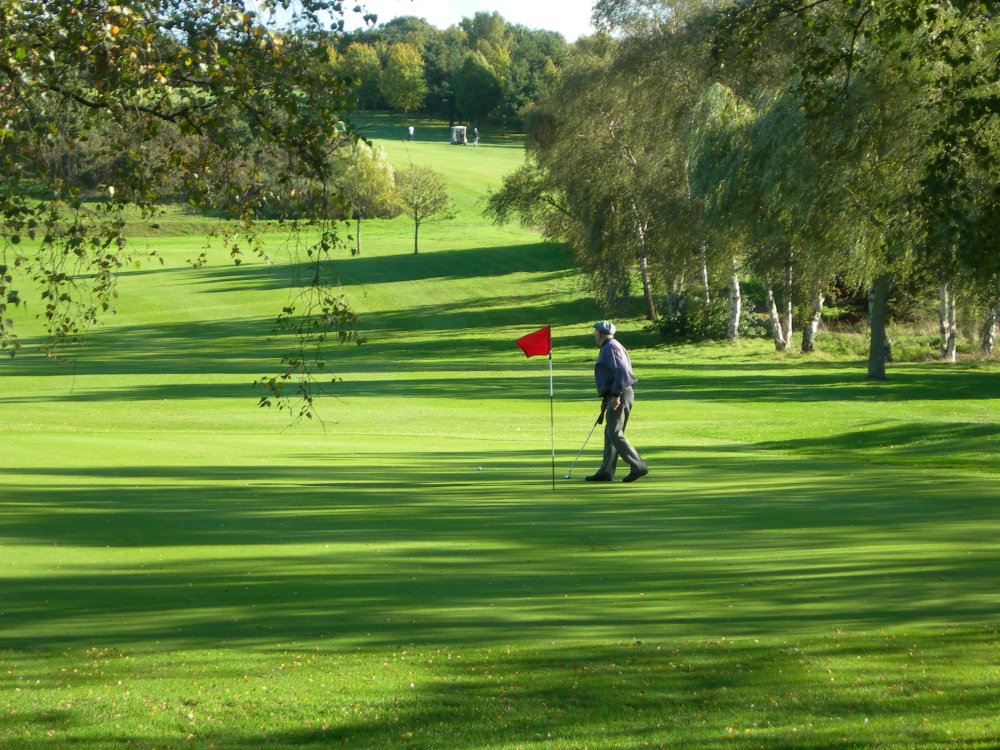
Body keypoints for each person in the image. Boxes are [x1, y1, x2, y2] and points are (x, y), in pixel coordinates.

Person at [587, 320, 649, 483]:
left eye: (595, 332)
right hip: (616, 393)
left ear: (600, 334)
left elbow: (621, 372)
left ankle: (638, 465)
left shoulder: (611, 347)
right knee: (610, 433)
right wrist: (606, 398)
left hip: (620, 393)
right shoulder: (610, 346)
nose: (594, 334)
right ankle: (606, 471)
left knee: (615, 432)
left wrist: (615, 396)